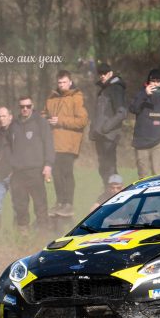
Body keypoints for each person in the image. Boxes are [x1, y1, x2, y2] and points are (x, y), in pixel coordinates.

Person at [45, 70, 89, 218]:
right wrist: (46, 120)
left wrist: (61, 121)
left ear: (70, 82)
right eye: (59, 82)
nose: (61, 85)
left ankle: (68, 204)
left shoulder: (76, 98)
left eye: (64, 82)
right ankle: (60, 202)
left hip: (69, 144)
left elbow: (82, 121)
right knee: (56, 173)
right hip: (53, 143)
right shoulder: (51, 98)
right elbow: (43, 115)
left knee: (66, 173)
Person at [10, 96, 54, 229]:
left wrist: (48, 165)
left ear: (32, 106)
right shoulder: (14, 124)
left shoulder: (41, 122)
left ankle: (42, 235)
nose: (25, 109)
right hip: (18, 172)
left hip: (36, 170)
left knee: (40, 204)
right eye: (22, 106)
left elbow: (49, 145)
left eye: (28, 106)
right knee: (20, 205)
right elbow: (8, 146)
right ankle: (23, 234)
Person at [129, 68, 160, 179]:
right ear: (148, 82)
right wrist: (145, 94)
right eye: (153, 81)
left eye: (158, 81)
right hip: (141, 143)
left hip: (158, 143)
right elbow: (133, 109)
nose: (155, 84)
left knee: (157, 176)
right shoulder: (140, 95)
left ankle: (158, 197)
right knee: (143, 176)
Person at [89, 63, 127, 188]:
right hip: (100, 135)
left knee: (110, 169)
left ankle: (115, 196)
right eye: (100, 73)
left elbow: (121, 113)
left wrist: (105, 128)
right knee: (103, 168)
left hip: (109, 136)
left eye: (104, 73)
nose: (102, 75)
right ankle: (108, 193)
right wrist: (93, 129)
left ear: (110, 73)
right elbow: (98, 113)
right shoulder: (103, 90)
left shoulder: (116, 88)